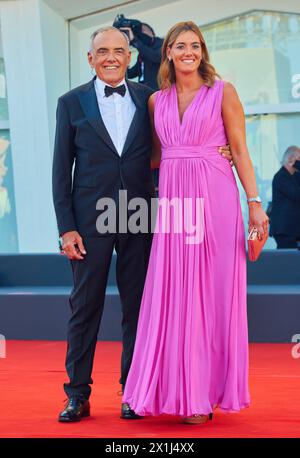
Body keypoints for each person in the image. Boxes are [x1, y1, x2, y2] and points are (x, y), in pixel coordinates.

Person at [52, 26, 232, 423]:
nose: (112, 57)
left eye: (119, 50)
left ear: (130, 56)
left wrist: (222, 151)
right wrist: (67, 228)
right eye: (103, 51)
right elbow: (60, 170)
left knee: (140, 307)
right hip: (91, 219)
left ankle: (132, 392)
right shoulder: (70, 103)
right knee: (85, 307)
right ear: (90, 58)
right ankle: (77, 395)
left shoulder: (149, 98)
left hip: (141, 215)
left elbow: (175, 143)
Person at [123, 21, 269, 424]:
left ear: (202, 51)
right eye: (180, 45)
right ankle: (179, 390)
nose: (188, 51)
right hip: (173, 206)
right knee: (176, 294)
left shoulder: (224, 91)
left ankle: (203, 395)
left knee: (212, 293)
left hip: (216, 198)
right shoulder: (157, 102)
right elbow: (154, 156)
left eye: (195, 45)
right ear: (167, 51)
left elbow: (239, 149)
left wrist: (254, 203)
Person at [269, 146, 300, 249]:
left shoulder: (294, 176)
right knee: (287, 261)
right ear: (291, 159)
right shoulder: (281, 176)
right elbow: (296, 194)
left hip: (293, 229)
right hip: (285, 230)